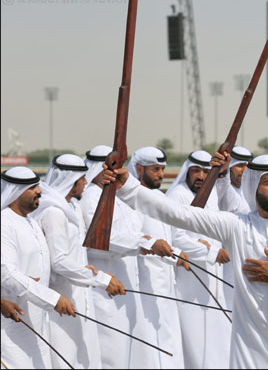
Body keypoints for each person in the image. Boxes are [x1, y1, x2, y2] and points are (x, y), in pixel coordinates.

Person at [105, 154, 268, 368]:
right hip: (251, 351)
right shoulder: (237, 226)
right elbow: (179, 214)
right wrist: (128, 187)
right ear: (253, 186)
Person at [80, 145, 171, 369]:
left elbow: (129, 232)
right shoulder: (91, 197)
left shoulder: (118, 196)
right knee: (110, 352)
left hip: (128, 283)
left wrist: (143, 239)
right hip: (105, 288)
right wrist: (145, 243)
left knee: (131, 351)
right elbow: (100, 237)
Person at [32, 154, 125, 369]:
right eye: (82, 178)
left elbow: (76, 253)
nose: (85, 182)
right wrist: (100, 279)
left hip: (82, 296)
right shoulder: (54, 212)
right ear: (69, 180)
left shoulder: (72, 208)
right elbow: (59, 261)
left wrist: (91, 271)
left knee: (87, 360)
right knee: (66, 360)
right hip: (62, 301)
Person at [1, 167, 76, 369]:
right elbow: (7, 274)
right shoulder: (4, 223)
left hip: (36, 322)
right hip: (10, 325)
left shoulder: (32, 223)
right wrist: (53, 299)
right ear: (16, 191)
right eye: (33, 188)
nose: (39, 191)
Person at [166, 150, 232, 368]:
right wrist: (211, 252)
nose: (201, 176)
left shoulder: (210, 193)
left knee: (215, 337)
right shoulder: (178, 195)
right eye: (196, 171)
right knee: (193, 338)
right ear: (187, 171)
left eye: (206, 171)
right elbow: (176, 238)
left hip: (213, 277)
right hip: (190, 282)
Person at [126, 146, 186, 369]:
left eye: (162, 169)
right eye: (155, 169)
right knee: (150, 336)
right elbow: (136, 238)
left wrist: (177, 255)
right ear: (139, 169)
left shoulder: (158, 197)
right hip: (145, 281)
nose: (161, 174)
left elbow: (166, 237)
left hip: (165, 279)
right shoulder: (131, 200)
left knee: (167, 333)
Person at [215, 146, 253, 214]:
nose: (245, 171)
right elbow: (222, 181)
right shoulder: (223, 189)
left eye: (247, 167)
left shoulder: (248, 191)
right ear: (229, 168)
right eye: (240, 166)